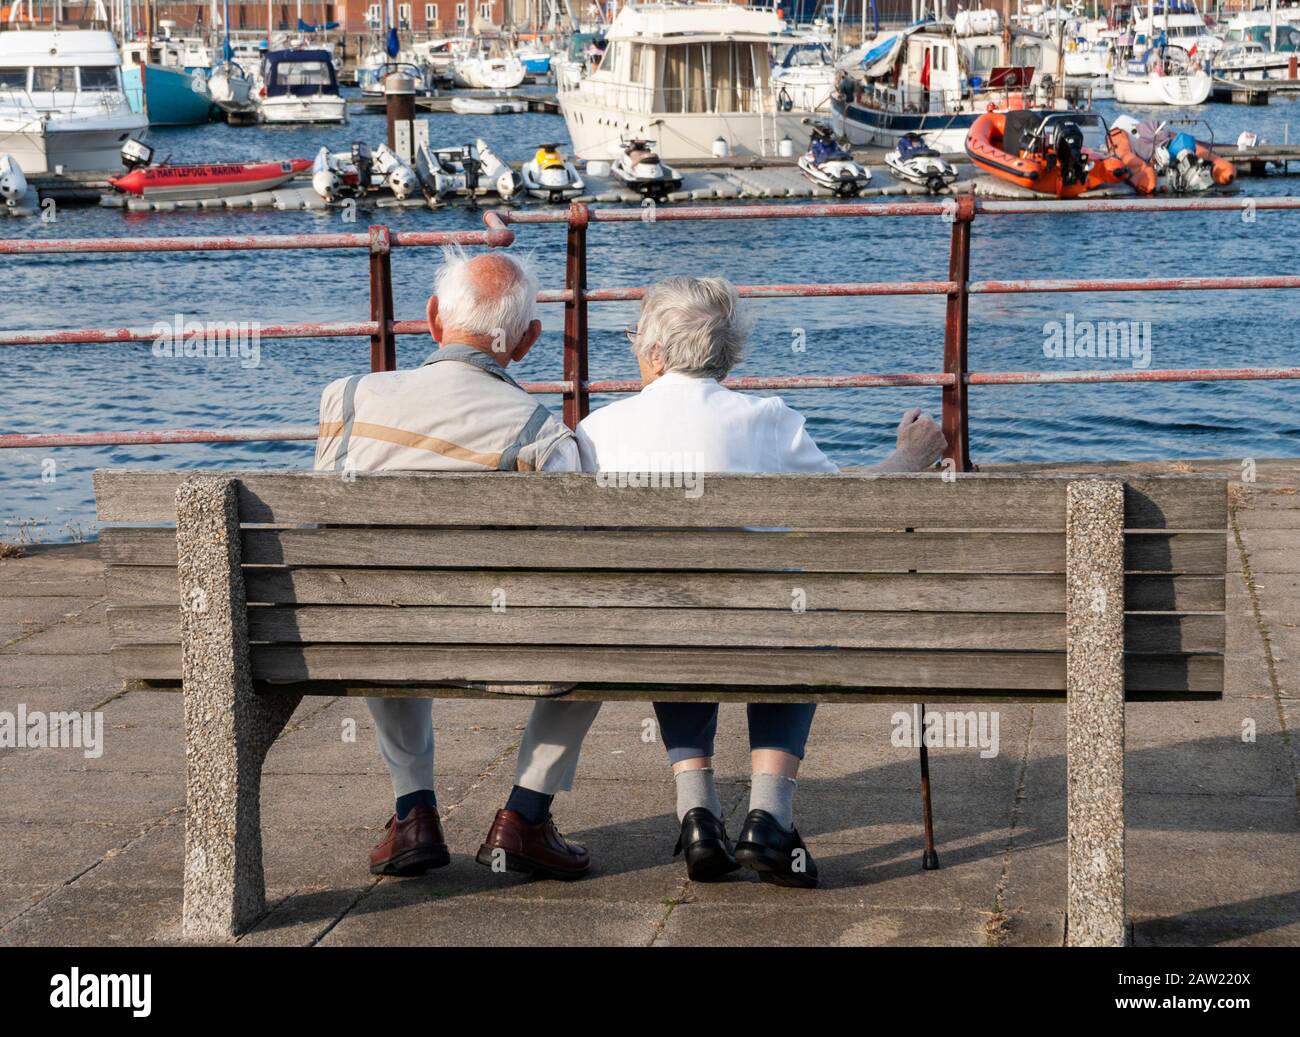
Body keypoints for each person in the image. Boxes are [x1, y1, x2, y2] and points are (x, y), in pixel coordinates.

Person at [575, 275, 946, 888]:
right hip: (761, 633)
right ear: (728, 351)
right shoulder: (769, 418)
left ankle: (697, 815)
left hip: (648, 635)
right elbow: (845, 509)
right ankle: (769, 817)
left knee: (674, 604)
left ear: (656, 351)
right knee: (792, 613)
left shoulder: (600, 429)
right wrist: (909, 459)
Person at [314, 248, 600, 881]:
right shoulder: (543, 434)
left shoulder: (347, 398)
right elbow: (571, 565)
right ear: (527, 341)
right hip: (496, 638)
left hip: (361, 632)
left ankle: (414, 810)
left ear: (433, 318)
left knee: (376, 589)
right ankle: (524, 816)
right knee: (599, 629)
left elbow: (331, 532)